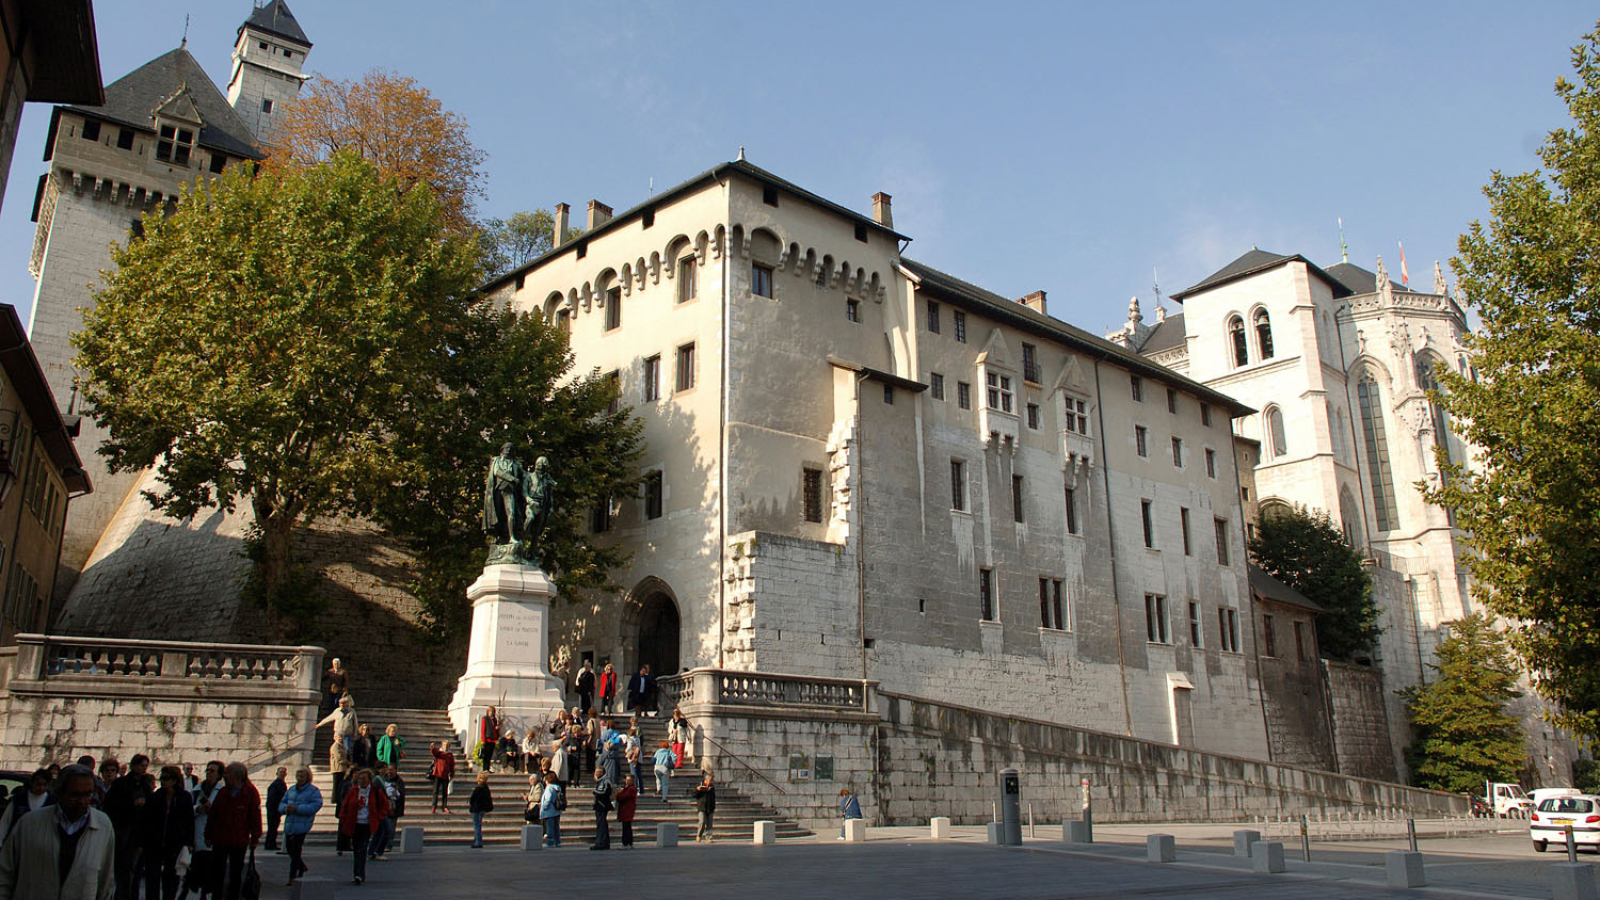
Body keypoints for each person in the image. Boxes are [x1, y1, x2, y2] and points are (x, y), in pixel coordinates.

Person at [0, 765, 114, 898]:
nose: (82, 801)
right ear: (60, 792)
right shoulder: (29, 824)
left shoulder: (103, 826)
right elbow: (5, 875)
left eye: (88, 794)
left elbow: (105, 881)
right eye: (74, 795)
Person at [205, 763, 261, 900]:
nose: (224, 775)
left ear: (236, 775)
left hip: (238, 840)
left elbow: (255, 817)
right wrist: (208, 834)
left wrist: (255, 838)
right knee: (217, 872)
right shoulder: (223, 792)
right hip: (220, 838)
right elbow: (214, 815)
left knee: (235, 873)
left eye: (227, 772)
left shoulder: (250, 793)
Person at [138, 766, 194, 900]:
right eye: (162, 778)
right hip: (154, 843)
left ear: (174, 780)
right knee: (152, 878)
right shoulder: (155, 797)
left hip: (174, 843)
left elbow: (189, 821)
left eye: (166, 778)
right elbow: (145, 821)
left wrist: (189, 842)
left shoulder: (184, 797)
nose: (163, 781)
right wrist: (142, 841)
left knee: (171, 877)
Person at [103, 752, 151, 900]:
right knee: (116, 867)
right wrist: (132, 804)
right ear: (134, 766)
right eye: (141, 765)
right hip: (121, 829)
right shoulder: (121, 783)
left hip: (136, 833)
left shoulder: (145, 784)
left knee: (131, 868)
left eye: (145, 766)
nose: (143, 769)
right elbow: (111, 805)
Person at [336, 769, 388, 886]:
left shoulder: (375, 791)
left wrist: (378, 817)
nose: (361, 781)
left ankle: (359, 874)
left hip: (367, 823)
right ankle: (358, 873)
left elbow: (385, 805)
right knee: (357, 848)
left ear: (369, 780)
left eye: (364, 779)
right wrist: (343, 818)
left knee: (362, 847)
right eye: (359, 779)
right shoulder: (353, 791)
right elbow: (345, 805)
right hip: (355, 823)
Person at [186, 760, 224, 899]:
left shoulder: (222, 792)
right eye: (207, 770)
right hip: (197, 836)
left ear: (219, 775)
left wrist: (212, 810)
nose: (209, 773)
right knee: (195, 873)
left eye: (212, 771)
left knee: (210, 873)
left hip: (213, 837)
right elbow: (187, 810)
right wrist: (198, 808)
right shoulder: (196, 790)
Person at [279, 768, 321, 887]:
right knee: (289, 847)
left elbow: (315, 805)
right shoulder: (291, 789)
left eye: (302, 776)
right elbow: (282, 802)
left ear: (307, 778)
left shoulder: (313, 791)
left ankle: (292, 876)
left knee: (296, 850)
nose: (299, 779)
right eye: (298, 776)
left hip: (302, 823)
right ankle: (301, 866)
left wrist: (298, 808)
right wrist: (285, 808)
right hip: (290, 822)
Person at [0, 768, 54, 847]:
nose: (41, 788)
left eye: (44, 785)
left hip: (41, 845)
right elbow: (5, 822)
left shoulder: (52, 802)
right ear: (32, 783)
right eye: (38, 784)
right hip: (18, 842)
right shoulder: (19, 800)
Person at [370, 765, 403, 860]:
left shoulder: (382, 779)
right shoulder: (377, 780)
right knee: (386, 830)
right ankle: (378, 851)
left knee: (379, 831)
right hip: (379, 808)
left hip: (382, 808)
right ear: (379, 769)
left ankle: (372, 851)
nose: (386, 770)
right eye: (384, 768)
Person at [315, 694, 359, 760]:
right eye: (340, 703)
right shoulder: (337, 711)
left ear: (346, 703)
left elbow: (355, 723)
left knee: (347, 749)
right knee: (337, 748)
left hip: (347, 734)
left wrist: (355, 733)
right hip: (338, 734)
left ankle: (347, 761)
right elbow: (329, 718)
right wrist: (319, 724)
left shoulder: (351, 711)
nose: (342, 705)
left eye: (343, 703)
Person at [263, 768, 287, 852]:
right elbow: (273, 798)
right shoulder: (276, 784)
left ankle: (271, 843)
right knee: (272, 827)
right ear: (277, 773)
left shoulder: (280, 784)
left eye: (283, 772)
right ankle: (270, 844)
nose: (282, 774)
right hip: (273, 809)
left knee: (273, 827)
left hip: (275, 808)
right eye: (281, 772)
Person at [538, 773, 564, 848]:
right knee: (556, 827)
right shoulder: (557, 788)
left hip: (549, 811)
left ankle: (550, 842)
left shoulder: (549, 788)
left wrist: (544, 807)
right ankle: (557, 841)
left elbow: (548, 799)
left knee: (550, 827)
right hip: (556, 810)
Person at [428, 741, 455, 813]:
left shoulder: (450, 755)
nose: (445, 747)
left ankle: (444, 806)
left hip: (445, 775)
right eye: (444, 745)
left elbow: (452, 765)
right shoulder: (439, 753)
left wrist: (452, 774)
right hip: (437, 774)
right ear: (442, 746)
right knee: (435, 791)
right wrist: (432, 748)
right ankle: (434, 806)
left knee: (444, 792)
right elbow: (434, 752)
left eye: (447, 746)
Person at [468, 772, 492, 849]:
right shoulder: (486, 788)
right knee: (478, 824)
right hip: (483, 808)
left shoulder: (479, 788)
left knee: (477, 825)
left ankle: (478, 841)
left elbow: (473, 798)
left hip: (477, 808)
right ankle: (477, 840)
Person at [692, 772, 716, 843]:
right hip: (702, 807)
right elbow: (694, 795)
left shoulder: (712, 787)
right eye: (709, 780)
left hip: (710, 807)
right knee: (702, 822)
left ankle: (709, 837)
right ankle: (699, 835)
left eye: (711, 780)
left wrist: (713, 807)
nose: (710, 782)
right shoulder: (700, 785)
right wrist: (697, 790)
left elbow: (713, 797)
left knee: (709, 823)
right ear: (706, 780)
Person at [616, 774, 638, 850]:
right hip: (625, 810)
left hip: (627, 810)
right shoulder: (626, 788)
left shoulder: (631, 789)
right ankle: (627, 842)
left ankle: (627, 843)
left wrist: (618, 794)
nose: (627, 782)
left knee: (626, 828)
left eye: (629, 780)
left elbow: (623, 796)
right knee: (626, 827)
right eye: (626, 780)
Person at [478, 707, 500, 773]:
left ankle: (488, 768)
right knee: (486, 755)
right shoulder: (485, 719)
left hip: (493, 740)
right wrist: (483, 740)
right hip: (487, 739)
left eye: (493, 711)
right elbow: (483, 730)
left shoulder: (494, 720)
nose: (492, 713)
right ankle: (485, 768)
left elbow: (495, 729)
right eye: (491, 711)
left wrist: (497, 730)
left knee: (490, 755)